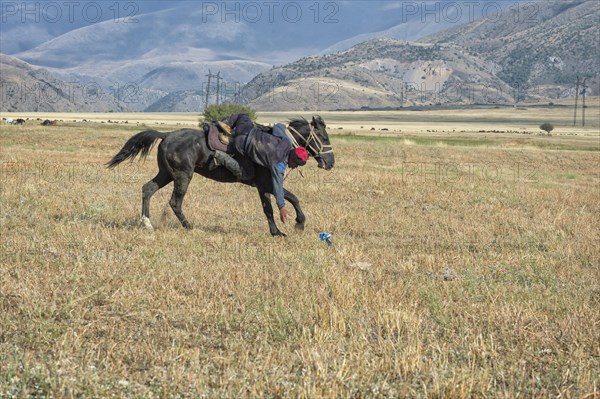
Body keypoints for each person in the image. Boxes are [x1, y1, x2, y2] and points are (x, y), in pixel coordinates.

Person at [212, 113, 309, 224]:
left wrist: (283, 128)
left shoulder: (287, 142)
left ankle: (225, 122)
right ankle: (221, 156)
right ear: (292, 159)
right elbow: (277, 187)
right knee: (246, 175)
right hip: (241, 145)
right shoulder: (278, 164)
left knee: (244, 115)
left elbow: (278, 127)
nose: (295, 167)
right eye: (296, 164)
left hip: (246, 130)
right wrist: (281, 207)